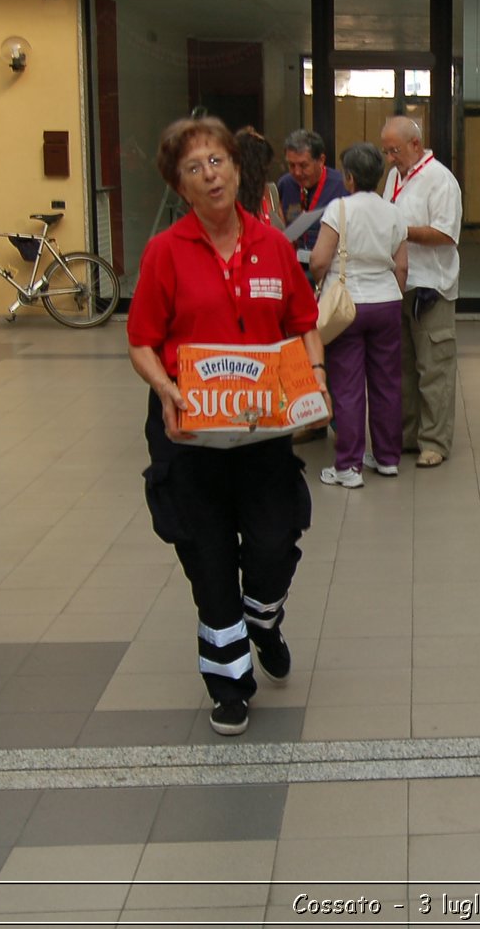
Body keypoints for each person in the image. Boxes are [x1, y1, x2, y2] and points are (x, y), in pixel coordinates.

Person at [127, 116, 325, 737]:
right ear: (180, 186)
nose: (209, 174)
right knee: (209, 560)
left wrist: (314, 374)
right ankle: (229, 682)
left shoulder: (271, 246)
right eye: (194, 168)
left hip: (261, 433)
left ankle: (263, 619)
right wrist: (165, 388)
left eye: (218, 161)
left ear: (238, 171)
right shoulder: (165, 251)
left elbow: (303, 320)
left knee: (272, 544)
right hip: (191, 437)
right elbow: (142, 341)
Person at [310, 143, 409, 487]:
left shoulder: (338, 209)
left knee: (348, 386)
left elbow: (320, 260)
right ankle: (387, 458)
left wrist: (318, 282)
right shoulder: (394, 211)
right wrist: (391, 294)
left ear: (348, 177)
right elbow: (402, 265)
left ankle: (349, 466)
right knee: (386, 383)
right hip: (386, 301)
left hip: (347, 304)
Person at [380, 115, 463, 468]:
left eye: (394, 150)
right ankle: (409, 436)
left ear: (416, 145)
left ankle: (435, 441)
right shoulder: (396, 177)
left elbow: (446, 235)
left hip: (432, 287)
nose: (389, 158)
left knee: (434, 367)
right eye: (385, 151)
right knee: (403, 368)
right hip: (399, 284)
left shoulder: (440, 180)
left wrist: (401, 229)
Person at [276, 128, 344, 268]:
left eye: (303, 165)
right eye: (291, 165)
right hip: (294, 265)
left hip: (331, 267)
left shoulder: (341, 186)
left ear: (321, 160)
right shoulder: (285, 184)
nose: (297, 172)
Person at [235, 126, 286, 230]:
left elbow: (283, 229)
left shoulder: (272, 190)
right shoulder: (231, 197)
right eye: (263, 166)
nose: (267, 169)